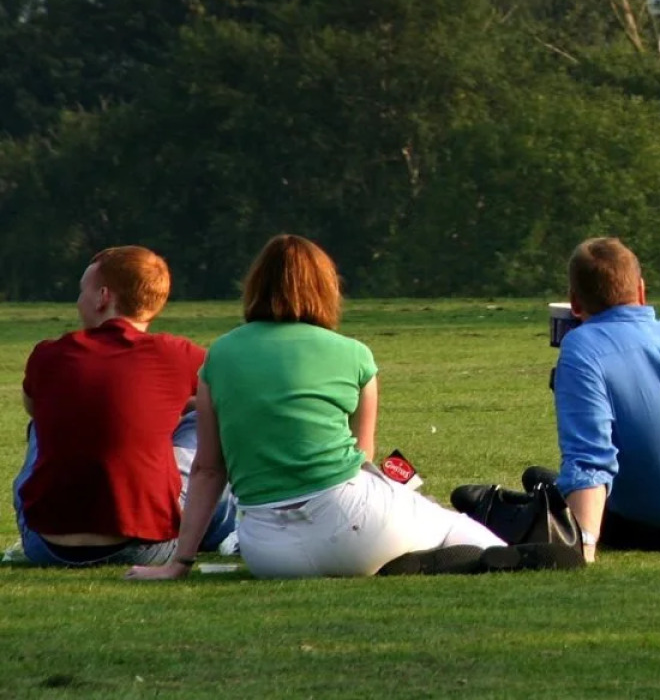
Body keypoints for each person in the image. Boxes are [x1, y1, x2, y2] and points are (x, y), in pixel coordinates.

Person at [125, 234, 503, 580]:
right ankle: (448, 554)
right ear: (326, 288)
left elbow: (208, 469)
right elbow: (363, 455)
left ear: (255, 285)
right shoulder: (355, 354)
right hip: (356, 527)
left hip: (270, 553)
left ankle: (401, 556)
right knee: (473, 538)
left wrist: (180, 563)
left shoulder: (220, 355)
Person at [482, 238, 660, 562]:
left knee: (478, 500)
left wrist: (581, 546)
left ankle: (557, 503)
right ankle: (560, 495)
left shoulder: (581, 348)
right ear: (641, 291)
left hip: (656, 528)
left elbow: (589, 457)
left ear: (574, 302)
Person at [12, 247, 237, 567]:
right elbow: (229, 397)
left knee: (42, 426)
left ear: (103, 297)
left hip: (46, 546)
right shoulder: (176, 354)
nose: (78, 301)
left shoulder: (48, 354)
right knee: (205, 416)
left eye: (82, 291)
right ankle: (223, 529)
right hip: (145, 547)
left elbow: (34, 407)